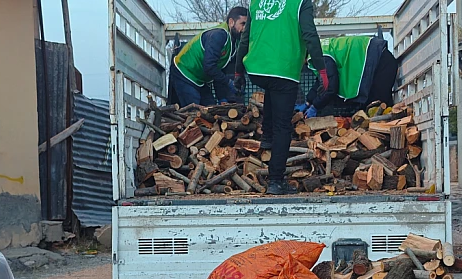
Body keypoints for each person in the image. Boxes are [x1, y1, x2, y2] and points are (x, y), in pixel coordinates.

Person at [234, 0, 328, 195]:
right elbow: (309, 34)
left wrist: (238, 71)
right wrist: (321, 68)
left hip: (256, 69)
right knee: (283, 126)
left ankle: (267, 136)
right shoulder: (301, 2)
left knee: (271, 88)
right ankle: (276, 180)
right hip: (284, 70)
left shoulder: (256, 2)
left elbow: (245, 37)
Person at [296, 34, 398, 117]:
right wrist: (308, 102)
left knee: (377, 109)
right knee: (371, 111)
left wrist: (315, 107)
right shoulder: (318, 50)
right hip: (377, 61)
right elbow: (322, 82)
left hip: (380, 62)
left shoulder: (320, 56)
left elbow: (331, 87)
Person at [168, 7, 249, 107]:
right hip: (184, 72)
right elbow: (210, 67)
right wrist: (228, 83)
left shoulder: (234, 43)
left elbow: (219, 70)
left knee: (210, 108)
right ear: (231, 22)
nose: (245, 28)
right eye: (243, 23)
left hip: (200, 79)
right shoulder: (219, 35)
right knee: (194, 111)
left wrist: (221, 98)